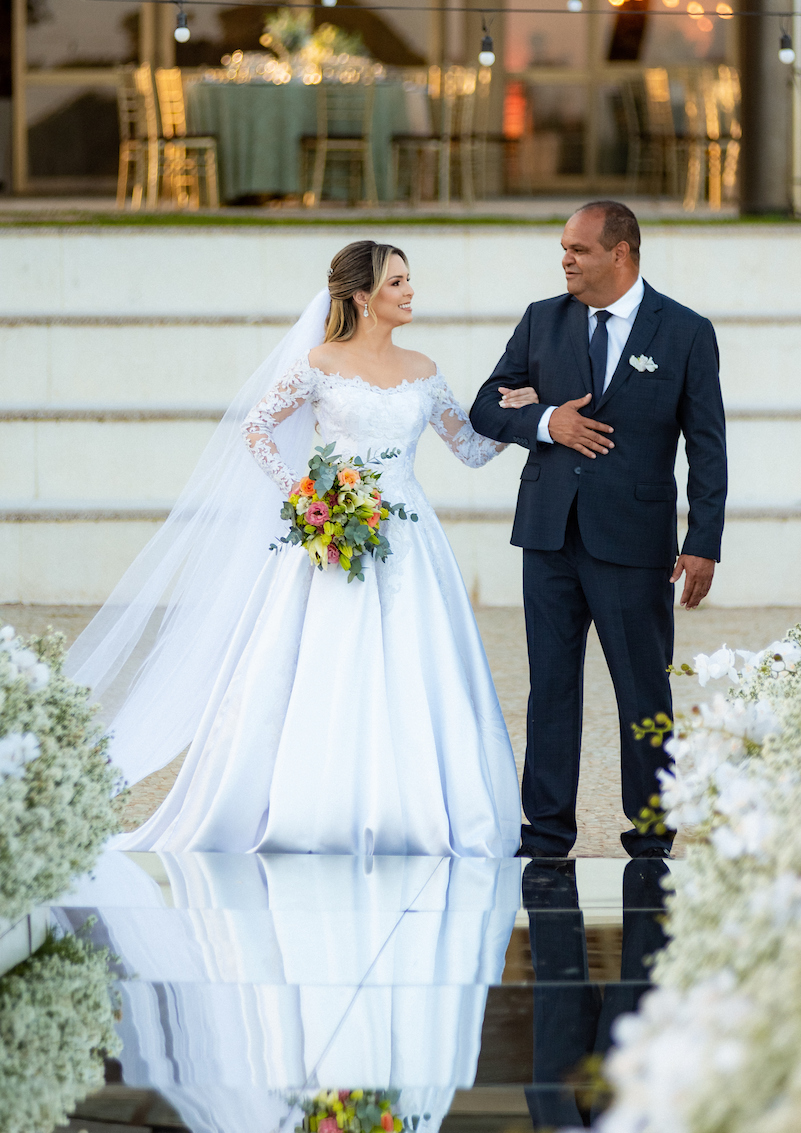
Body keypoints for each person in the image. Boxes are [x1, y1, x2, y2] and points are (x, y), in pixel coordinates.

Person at [68, 240, 526, 857]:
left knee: (417, 667)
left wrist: (518, 420)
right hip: (334, 538)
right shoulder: (319, 362)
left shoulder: (423, 370)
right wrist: (309, 498)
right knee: (325, 663)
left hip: (411, 540)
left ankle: (414, 808)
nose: (411, 291)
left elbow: (469, 450)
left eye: (409, 280)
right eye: (397, 283)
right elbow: (255, 428)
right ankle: (311, 805)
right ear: (363, 297)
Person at [470, 201, 727, 859]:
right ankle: (546, 832)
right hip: (548, 535)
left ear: (621, 253)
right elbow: (484, 406)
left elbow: (706, 444)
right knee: (550, 688)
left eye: (578, 249)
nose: (565, 259)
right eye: (563, 247)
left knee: (643, 687)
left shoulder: (685, 331)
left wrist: (702, 541)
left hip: (635, 542)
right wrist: (545, 420)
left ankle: (649, 833)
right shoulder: (541, 321)